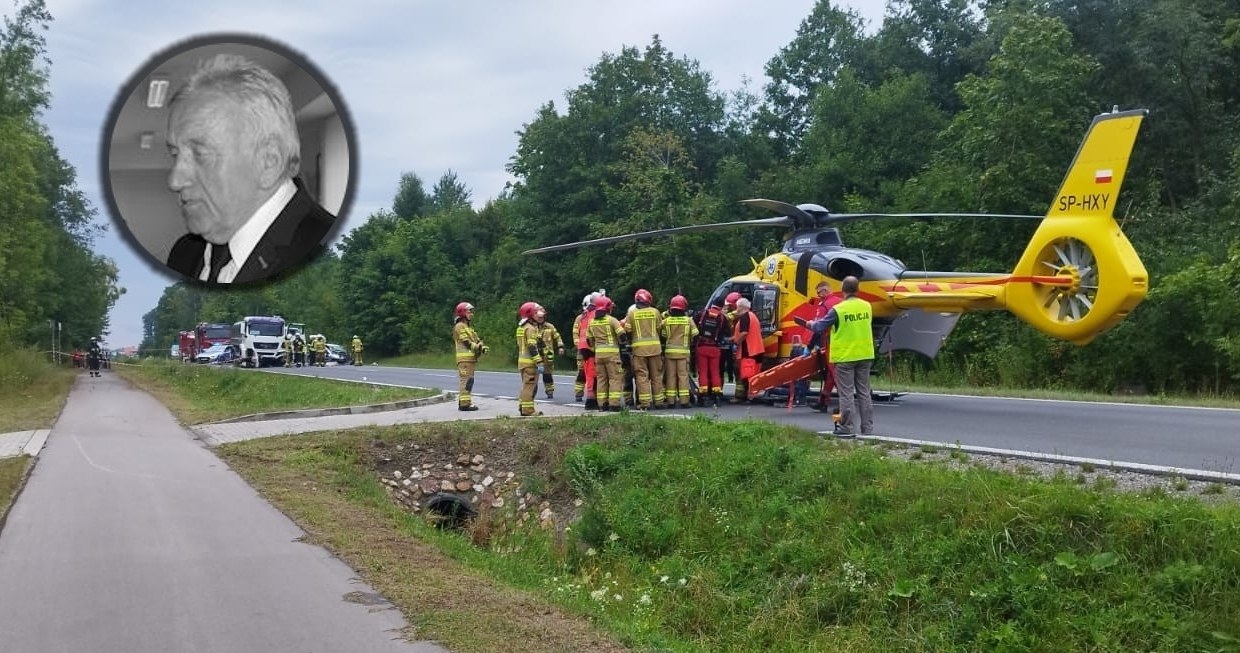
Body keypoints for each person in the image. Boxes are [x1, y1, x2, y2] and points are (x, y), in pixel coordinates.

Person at [164, 53, 335, 284]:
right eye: (174, 154)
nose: (174, 180)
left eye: (200, 154)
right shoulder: (184, 254)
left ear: (268, 162)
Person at [795, 275, 874, 436]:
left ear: (843, 290)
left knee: (846, 394)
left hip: (845, 356)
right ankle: (867, 428)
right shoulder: (867, 306)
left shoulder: (839, 309)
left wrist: (809, 324)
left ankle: (846, 428)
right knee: (864, 393)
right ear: (857, 290)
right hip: (865, 354)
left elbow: (819, 327)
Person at [623, 288, 665, 410]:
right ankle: (659, 402)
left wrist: (631, 343)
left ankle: (645, 404)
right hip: (655, 349)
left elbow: (628, 331)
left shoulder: (632, 314)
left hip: (639, 350)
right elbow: (659, 329)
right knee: (656, 376)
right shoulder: (656, 312)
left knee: (642, 377)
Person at [586, 295, 626, 411]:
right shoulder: (612, 320)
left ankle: (602, 405)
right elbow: (622, 336)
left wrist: (596, 347)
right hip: (612, 355)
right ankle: (614, 405)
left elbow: (589, 340)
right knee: (615, 379)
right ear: (608, 308)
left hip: (599, 355)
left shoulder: (592, 322)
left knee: (601, 379)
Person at [661, 295, 698, 408]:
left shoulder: (666, 321)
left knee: (670, 377)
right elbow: (696, 335)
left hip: (669, 353)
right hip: (683, 353)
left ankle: (671, 402)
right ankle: (684, 401)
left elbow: (663, 336)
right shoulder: (688, 321)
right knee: (683, 376)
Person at [694, 296, 730, 407]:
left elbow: (693, 326)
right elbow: (726, 333)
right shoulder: (723, 318)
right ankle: (717, 396)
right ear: (722, 306)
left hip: (702, 347)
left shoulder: (702, 314)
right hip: (715, 348)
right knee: (715, 372)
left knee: (703, 372)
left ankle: (703, 395)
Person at [453, 302, 486, 411]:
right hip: (464, 359)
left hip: (470, 359)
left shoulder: (469, 328)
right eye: (469, 311)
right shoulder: (459, 326)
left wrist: (482, 347)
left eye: (472, 312)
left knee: (469, 381)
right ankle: (464, 404)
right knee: (466, 381)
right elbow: (466, 342)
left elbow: (476, 340)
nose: (472, 314)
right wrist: (477, 347)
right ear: (462, 313)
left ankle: (465, 401)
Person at [731, 297, 764, 403]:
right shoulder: (752, 316)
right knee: (753, 374)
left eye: (737, 307)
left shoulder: (745, 317)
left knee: (747, 375)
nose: (737, 309)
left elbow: (744, 333)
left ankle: (748, 397)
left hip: (749, 350)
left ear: (741, 307)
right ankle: (750, 395)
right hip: (756, 349)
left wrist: (736, 342)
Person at [516, 302, 544, 416]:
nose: (539, 315)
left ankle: (522, 407)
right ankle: (528, 410)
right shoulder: (531, 328)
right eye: (536, 312)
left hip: (522, 362)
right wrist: (539, 361)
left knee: (525, 386)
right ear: (530, 314)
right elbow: (532, 347)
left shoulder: (521, 327)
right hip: (530, 363)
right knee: (530, 387)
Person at [534, 306, 565, 399]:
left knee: (547, 375)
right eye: (538, 317)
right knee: (533, 376)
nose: (540, 319)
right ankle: (531, 392)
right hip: (535, 355)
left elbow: (557, 337)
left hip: (547, 356)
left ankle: (549, 391)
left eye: (542, 317)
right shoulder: (532, 327)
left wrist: (560, 347)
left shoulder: (550, 326)